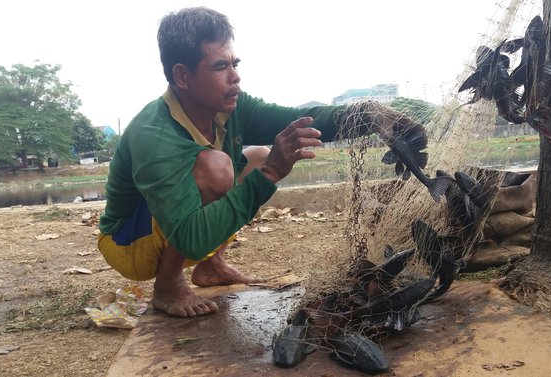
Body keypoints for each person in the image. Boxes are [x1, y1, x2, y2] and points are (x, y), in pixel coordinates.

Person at [97, 6, 425, 318]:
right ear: (182, 76)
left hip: (169, 225)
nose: (235, 76)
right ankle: (168, 286)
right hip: (128, 241)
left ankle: (210, 267)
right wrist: (272, 173)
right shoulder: (154, 134)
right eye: (220, 67)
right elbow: (190, 238)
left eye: (234, 63)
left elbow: (300, 119)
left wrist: (369, 115)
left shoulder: (230, 107)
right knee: (220, 168)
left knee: (254, 158)